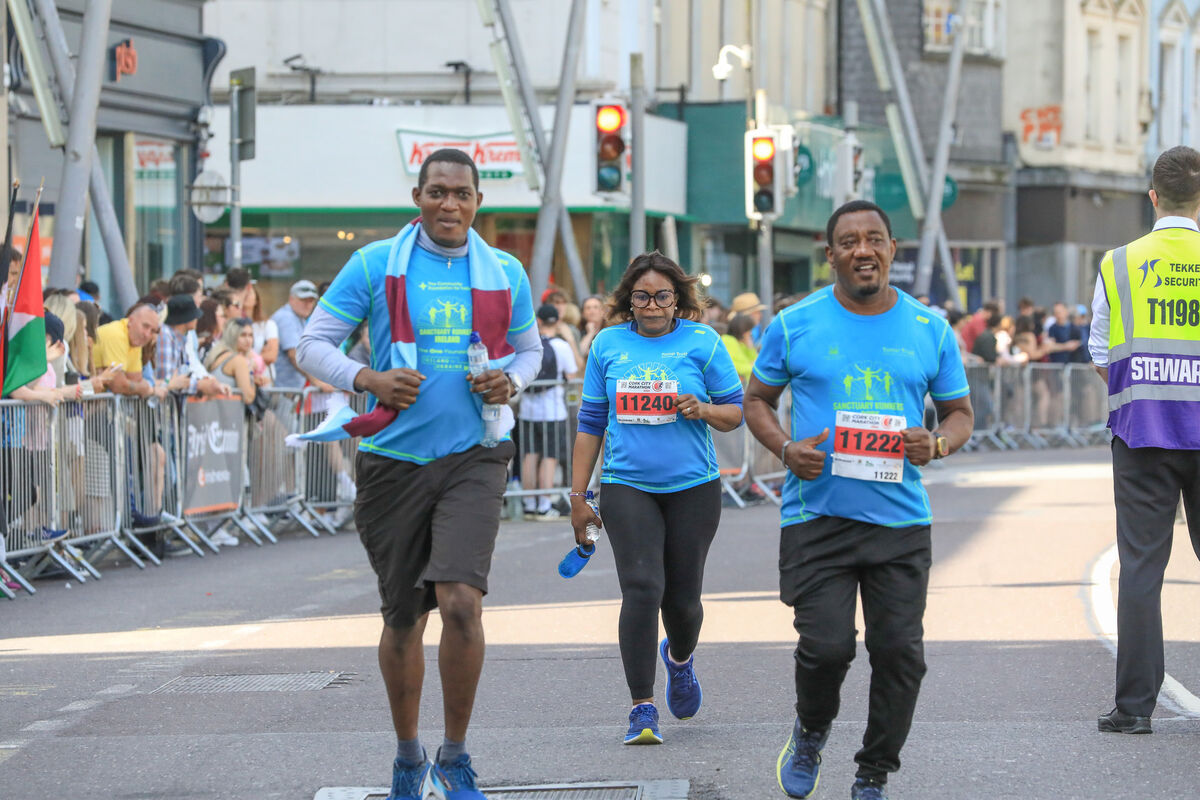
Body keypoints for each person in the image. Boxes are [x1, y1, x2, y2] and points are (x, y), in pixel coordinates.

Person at [296, 147, 542, 800]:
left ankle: (455, 756)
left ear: (477, 203)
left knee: (461, 603)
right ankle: (409, 757)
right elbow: (312, 343)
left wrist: (509, 381)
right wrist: (367, 377)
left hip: (475, 456)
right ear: (418, 197)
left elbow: (531, 348)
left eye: (461, 194)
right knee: (404, 617)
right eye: (437, 192)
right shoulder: (375, 263)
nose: (449, 205)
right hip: (393, 462)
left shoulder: (505, 271)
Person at [743, 200, 973, 800]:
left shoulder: (930, 329)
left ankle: (874, 770)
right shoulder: (795, 324)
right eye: (849, 241)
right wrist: (787, 448)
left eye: (874, 239)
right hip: (816, 516)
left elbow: (959, 413)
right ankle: (811, 731)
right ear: (831, 256)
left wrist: (940, 444)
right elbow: (756, 401)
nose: (862, 250)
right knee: (827, 648)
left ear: (893, 249)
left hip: (899, 523)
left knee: (899, 653)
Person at [570, 251, 743, 745]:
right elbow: (589, 425)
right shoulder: (607, 345)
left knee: (684, 601)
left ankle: (681, 659)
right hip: (627, 486)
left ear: (677, 300)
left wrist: (703, 408)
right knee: (642, 588)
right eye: (642, 296)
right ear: (629, 300)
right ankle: (642, 708)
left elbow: (735, 413)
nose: (651, 305)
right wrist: (579, 496)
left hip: (693, 487)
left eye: (662, 296)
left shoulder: (703, 342)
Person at [1089, 146, 1200, 736]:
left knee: (1141, 569)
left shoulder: (1120, 262)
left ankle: (1134, 709)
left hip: (1143, 433)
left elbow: (1100, 353)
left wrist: (1149, 386)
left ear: (1152, 196)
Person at [518, 304, 577, 519]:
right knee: (549, 457)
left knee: (530, 456)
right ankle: (544, 504)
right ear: (557, 322)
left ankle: (528, 503)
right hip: (553, 411)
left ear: (539, 321)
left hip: (527, 411)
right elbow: (572, 375)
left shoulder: (528, 346)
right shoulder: (561, 346)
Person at [156, 295, 227, 397]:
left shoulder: (180, 339)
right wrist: (200, 385)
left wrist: (205, 381)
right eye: (194, 316)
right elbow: (168, 381)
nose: (197, 319)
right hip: (161, 407)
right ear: (186, 318)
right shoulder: (166, 337)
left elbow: (184, 372)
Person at [93, 304, 166, 400]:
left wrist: (139, 387)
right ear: (131, 320)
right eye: (145, 326)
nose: (147, 334)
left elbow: (135, 380)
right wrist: (146, 389)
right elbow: (118, 385)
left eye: (153, 331)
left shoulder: (135, 341)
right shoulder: (116, 335)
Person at [271, 279, 330, 391]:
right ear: (291, 299)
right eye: (303, 300)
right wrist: (316, 381)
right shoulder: (286, 317)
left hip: (288, 390)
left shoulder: (300, 318)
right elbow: (294, 355)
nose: (308, 305)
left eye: (311, 301)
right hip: (280, 390)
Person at [241, 281, 280, 375]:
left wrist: (248, 359)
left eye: (249, 292)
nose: (246, 295)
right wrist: (261, 356)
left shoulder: (268, 325)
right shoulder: (235, 324)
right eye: (244, 292)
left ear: (256, 299)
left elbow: (272, 356)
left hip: (265, 378)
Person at [720, 313, 758, 382]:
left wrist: (750, 347)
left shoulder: (741, 343)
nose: (751, 333)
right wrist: (751, 366)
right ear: (743, 330)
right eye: (749, 330)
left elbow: (756, 360)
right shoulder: (728, 340)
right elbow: (734, 366)